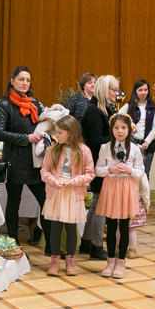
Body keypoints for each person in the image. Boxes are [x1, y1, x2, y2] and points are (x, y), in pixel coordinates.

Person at [0, 66, 52, 254]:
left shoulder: (35, 103)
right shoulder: (4, 104)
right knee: (14, 202)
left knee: (46, 201)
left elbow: (45, 123)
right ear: (12, 81)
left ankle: (51, 245)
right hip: (15, 160)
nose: (25, 83)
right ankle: (13, 243)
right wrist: (25, 138)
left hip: (35, 161)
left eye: (27, 80)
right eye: (21, 79)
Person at [40, 116, 94, 276]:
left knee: (71, 228)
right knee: (55, 228)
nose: (56, 136)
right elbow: (44, 170)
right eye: (56, 132)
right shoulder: (53, 150)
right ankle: (54, 260)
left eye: (59, 133)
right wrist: (53, 181)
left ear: (70, 133)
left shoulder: (84, 150)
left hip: (73, 193)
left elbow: (90, 173)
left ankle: (70, 260)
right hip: (56, 192)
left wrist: (75, 181)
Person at [96, 114, 145, 278]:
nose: (120, 131)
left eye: (123, 128)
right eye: (116, 128)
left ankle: (120, 262)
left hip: (126, 187)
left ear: (129, 129)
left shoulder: (135, 149)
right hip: (111, 187)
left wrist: (129, 170)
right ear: (111, 129)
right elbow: (98, 169)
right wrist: (109, 169)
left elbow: (140, 171)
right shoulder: (105, 147)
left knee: (124, 226)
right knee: (110, 226)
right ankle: (110, 261)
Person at [79, 75, 120, 260]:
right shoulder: (94, 111)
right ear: (105, 90)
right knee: (99, 206)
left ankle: (87, 242)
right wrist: (117, 138)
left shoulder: (106, 109)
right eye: (114, 90)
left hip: (104, 163)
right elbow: (96, 142)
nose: (116, 93)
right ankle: (96, 245)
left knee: (96, 204)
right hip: (97, 163)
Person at [119, 79, 155, 175]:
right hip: (132, 144)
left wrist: (147, 142)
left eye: (145, 90)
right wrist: (130, 124)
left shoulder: (152, 107)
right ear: (135, 91)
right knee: (131, 173)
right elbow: (118, 117)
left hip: (147, 146)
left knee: (145, 174)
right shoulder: (129, 106)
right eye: (140, 90)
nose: (143, 92)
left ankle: (144, 190)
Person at [127, 172, 150, 259]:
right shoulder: (140, 173)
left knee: (119, 226)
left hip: (120, 201)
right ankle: (132, 251)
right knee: (132, 228)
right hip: (135, 202)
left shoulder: (120, 170)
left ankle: (117, 249)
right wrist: (147, 205)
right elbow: (145, 190)